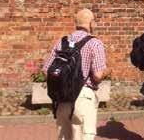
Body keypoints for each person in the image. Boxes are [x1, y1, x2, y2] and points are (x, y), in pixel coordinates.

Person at [43, 9, 109, 140]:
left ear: (76, 23)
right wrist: (107, 72)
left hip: (62, 98)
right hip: (83, 97)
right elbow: (97, 76)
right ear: (91, 23)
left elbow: (46, 71)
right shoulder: (94, 43)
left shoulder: (61, 42)